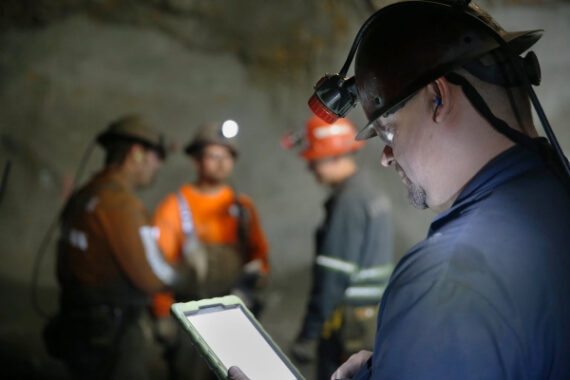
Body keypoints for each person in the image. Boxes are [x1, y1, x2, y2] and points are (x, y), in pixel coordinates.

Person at [230, 1, 570, 379]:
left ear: (438, 98)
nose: (386, 157)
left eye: (388, 130)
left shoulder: (449, 277)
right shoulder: (556, 201)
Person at [45, 114, 198, 380]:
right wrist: (191, 272)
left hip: (77, 323)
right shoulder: (121, 206)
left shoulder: (85, 195)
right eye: (157, 158)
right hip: (111, 336)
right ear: (137, 154)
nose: (158, 167)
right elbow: (153, 276)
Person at [151, 120, 270, 380]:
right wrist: (162, 313)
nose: (220, 162)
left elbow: (259, 255)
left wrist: (252, 285)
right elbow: (159, 267)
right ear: (196, 160)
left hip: (233, 314)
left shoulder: (241, 207)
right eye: (213, 156)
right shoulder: (174, 206)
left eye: (226, 157)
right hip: (189, 317)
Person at [283, 116, 394, 380]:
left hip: (347, 330)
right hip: (368, 322)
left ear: (332, 156)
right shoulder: (370, 193)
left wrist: (307, 335)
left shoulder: (349, 201)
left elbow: (333, 277)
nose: (311, 168)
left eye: (314, 159)